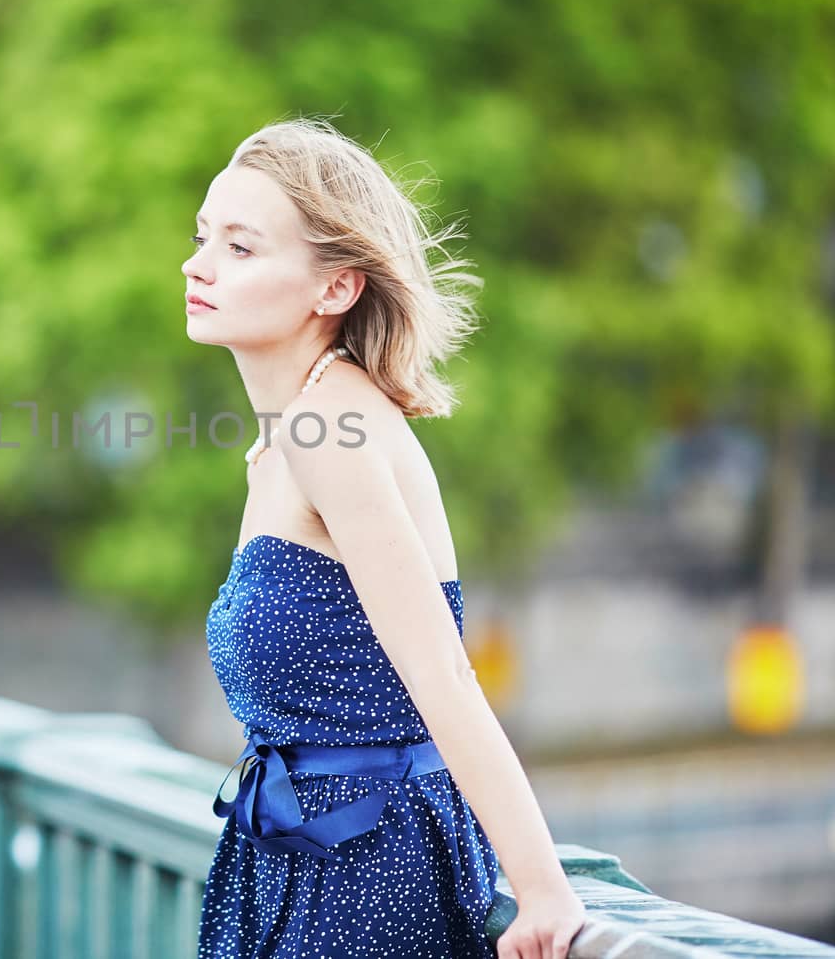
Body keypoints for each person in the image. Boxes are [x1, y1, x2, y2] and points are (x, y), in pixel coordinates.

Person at [185, 117, 588, 958]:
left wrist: (542, 885)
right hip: (307, 860)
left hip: (365, 875)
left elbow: (441, 670)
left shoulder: (328, 424)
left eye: (240, 247)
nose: (198, 265)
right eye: (202, 237)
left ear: (336, 288)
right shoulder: (288, 435)